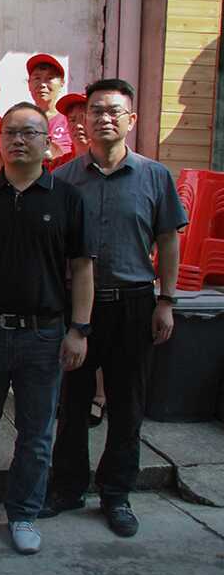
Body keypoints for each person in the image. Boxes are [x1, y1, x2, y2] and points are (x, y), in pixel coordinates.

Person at [0, 102, 94, 556]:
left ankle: (24, 513)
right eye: (10, 132)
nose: (18, 140)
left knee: (36, 433)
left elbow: (82, 267)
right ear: (1, 141)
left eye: (29, 132)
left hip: (44, 334)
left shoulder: (67, 198)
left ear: (47, 143)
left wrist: (79, 329)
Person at [43, 79, 187, 537]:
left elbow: (168, 241)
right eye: (96, 110)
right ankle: (67, 487)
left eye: (113, 111)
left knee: (127, 405)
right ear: (83, 120)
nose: (104, 118)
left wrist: (167, 301)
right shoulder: (64, 179)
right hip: (76, 310)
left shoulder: (154, 176)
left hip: (134, 304)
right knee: (72, 403)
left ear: (131, 120)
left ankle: (116, 493)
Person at [26, 53, 72, 162]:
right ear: (29, 83)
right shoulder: (20, 121)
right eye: (37, 78)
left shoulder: (70, 120)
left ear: (62, 83)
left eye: (49, 78)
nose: (42, 84)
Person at [49, 93, 90, 170]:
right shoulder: (57, 166)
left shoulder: (110, 163)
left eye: (84, 119)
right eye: (72, 120)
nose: (78, 125)